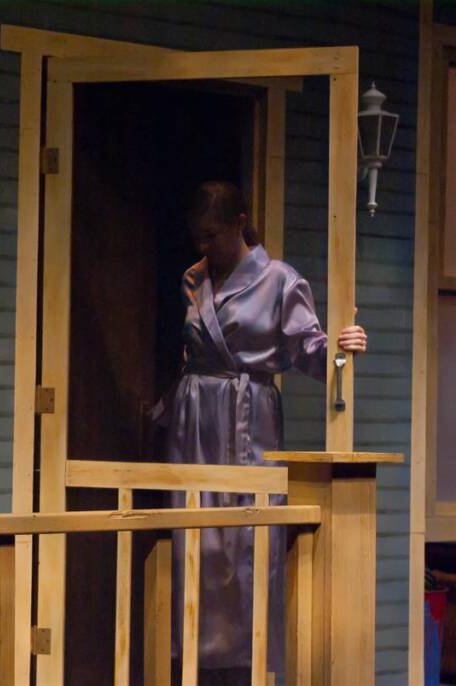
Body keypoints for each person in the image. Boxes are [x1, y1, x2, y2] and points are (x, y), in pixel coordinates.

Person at [163, 180, 366, 685]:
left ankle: (248, 665)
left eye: (212, 235)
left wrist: (344, 349)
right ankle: (193, 662)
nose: (204, 247)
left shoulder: (280, 280)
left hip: (248, 419)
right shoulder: (194, 278)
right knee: (197, 539)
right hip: (195, 423)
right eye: (198, 237)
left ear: (240, 223)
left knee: (246, 541)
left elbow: (311, 353)